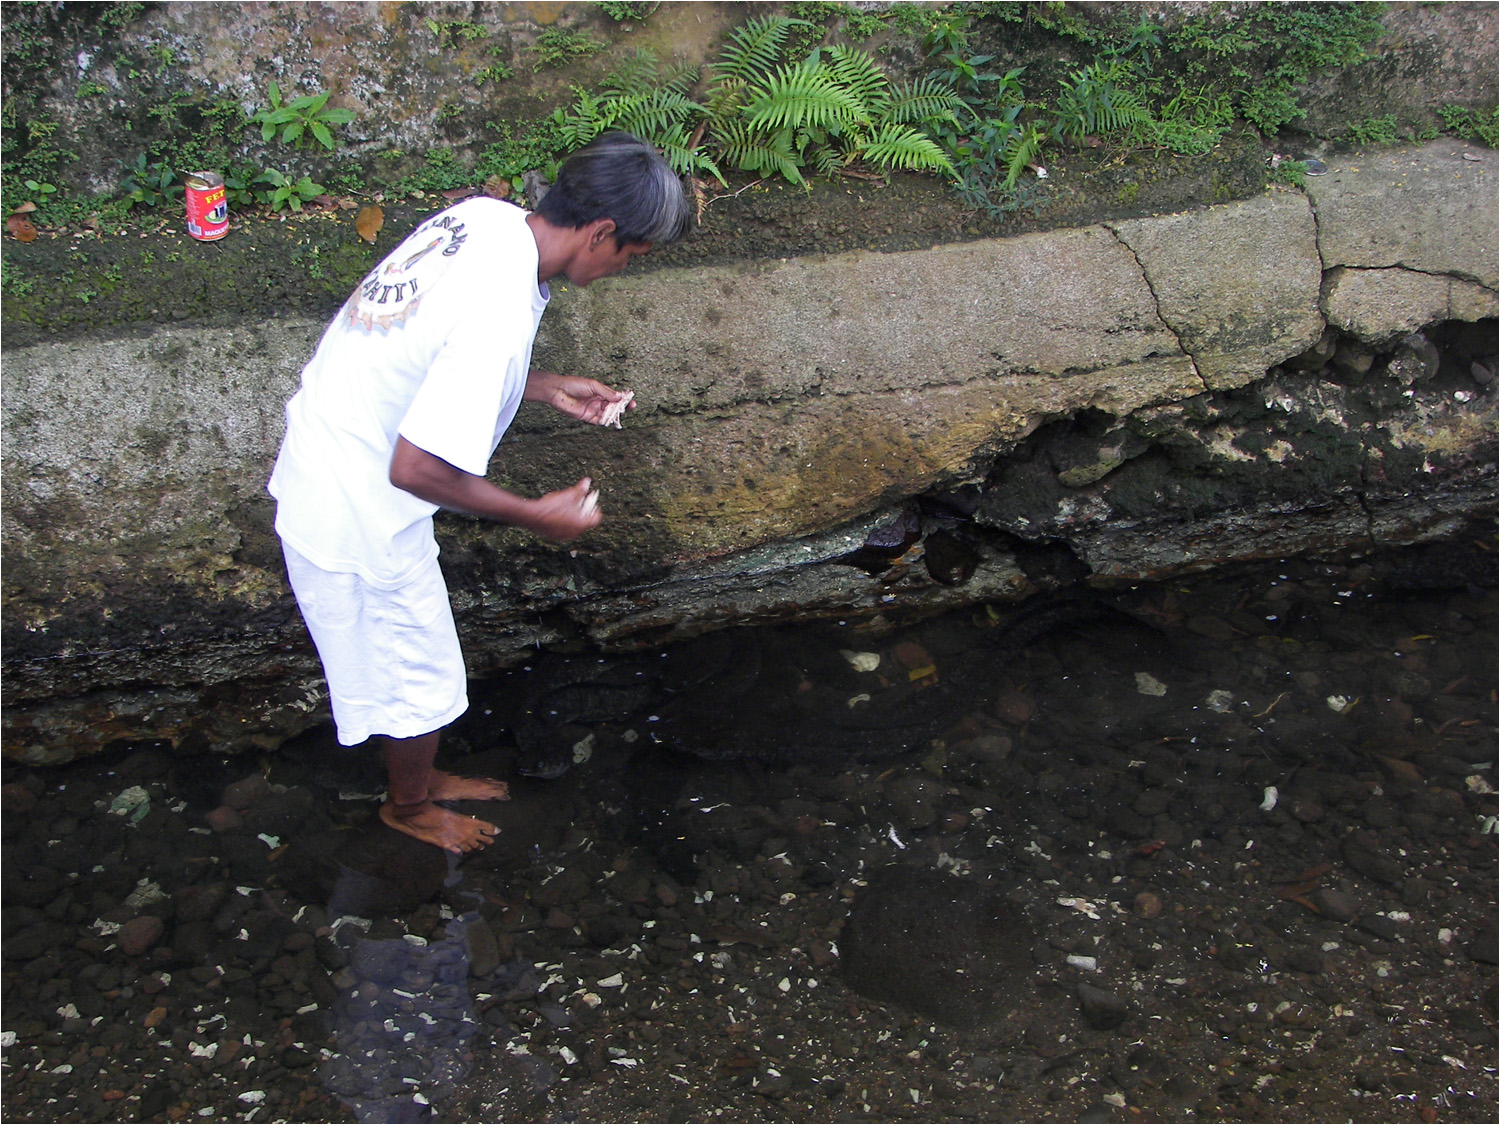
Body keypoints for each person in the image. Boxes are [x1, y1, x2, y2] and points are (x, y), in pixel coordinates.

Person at [268, 132, 689, 854]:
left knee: (415, 663)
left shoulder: (487, 221)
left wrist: (541, 384)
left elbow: (423, 346)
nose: (620, 269)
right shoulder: (498, 309)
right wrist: (536, 514)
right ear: (601, 232)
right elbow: (416, 469)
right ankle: (407, 805)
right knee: (421, 677)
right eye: (628, 256)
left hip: (331, 449)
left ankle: (418, 778)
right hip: (356, 507)